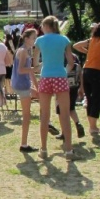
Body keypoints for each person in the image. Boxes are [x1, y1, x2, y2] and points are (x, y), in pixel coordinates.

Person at [35, 16, 76, 160]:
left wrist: (43, 65)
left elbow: (35, 62)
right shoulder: (64, 39)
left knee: (45, 115)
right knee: (65, 114)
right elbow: (71, 62)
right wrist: (63, 70)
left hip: (46, 76)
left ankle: (44, 149)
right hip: (60, 76)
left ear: (45, 26)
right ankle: (69, 150)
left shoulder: (39, 40)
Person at [74, 22, 100, 137]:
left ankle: (92, 126)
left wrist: (89, 52)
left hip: (86, 71)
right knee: (97, 98)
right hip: (97, 71)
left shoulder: (91, 40)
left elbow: (76, 46)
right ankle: (93, 127)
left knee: (89, 98)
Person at [11, 28, 39, 153]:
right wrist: (35, 69)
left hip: (23, 83)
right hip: (21, 84)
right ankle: (24, 144)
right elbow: (21, 70)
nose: (35, 40)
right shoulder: (23, 51)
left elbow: (29, 70)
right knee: (26, 116)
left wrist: (37, 86)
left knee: (41, 97)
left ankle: (47, 123)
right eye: (33, 37)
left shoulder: (27, 50)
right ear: (26, 38)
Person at [55, 51, 86, 140]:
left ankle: (64, 133)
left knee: (60, 110)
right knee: (71, 108)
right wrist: (81, 87)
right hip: (74, 87)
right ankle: (77, 123)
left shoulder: (59, 57)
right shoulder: (74, 56)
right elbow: (80, 72)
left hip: (62, 87)